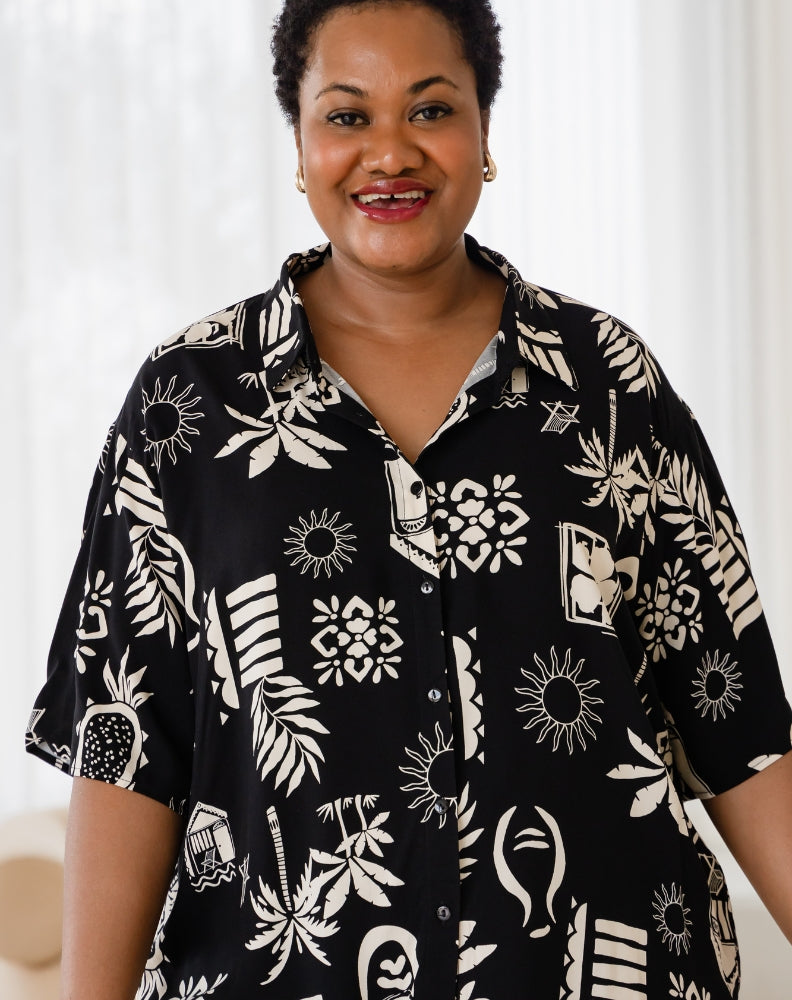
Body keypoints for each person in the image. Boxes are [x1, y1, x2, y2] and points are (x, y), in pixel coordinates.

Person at [25, 1, 792, 998]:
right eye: (347, 117)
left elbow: (737, 727)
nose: (390, 153)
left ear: (484, 131)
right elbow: (126, 751)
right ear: (298, 142)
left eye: (430, 109)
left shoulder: (609, 384)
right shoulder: (190, 404)